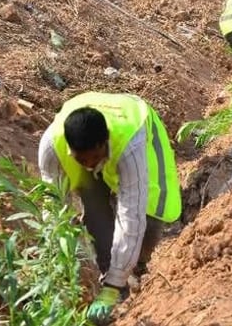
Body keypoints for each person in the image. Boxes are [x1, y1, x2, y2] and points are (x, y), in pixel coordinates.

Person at [38, 92, 181, 325]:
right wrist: (62, 265)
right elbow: (53, 209)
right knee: (95, 211)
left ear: (104, 143)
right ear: (72, 151)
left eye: (94, 158)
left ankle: (137, 271)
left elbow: (131, 216)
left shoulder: (130, 144)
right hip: (84, 137)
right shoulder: (52, 148)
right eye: (82, 160)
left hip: (137, 124)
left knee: (150, 216)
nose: (89, 165)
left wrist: (111, 289)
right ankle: (111, 276)